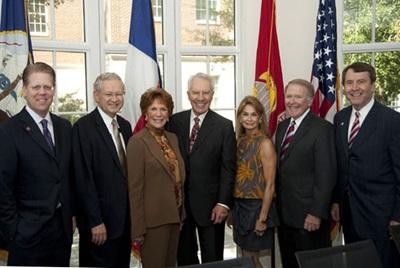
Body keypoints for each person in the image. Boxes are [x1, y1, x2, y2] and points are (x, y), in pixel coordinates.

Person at [0, 62, 74, 266]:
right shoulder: (8, 131)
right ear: (24, 90)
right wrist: (14, 231)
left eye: (47, 87)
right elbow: (3, 188)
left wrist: (72, 215)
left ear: (53, 90)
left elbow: (68, 176)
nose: (42, 92)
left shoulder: (64, 127)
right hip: (26, 236)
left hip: (62, 233)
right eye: (36, 87)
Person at [331, 62, 400, 268]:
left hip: (382, 218)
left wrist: (398, 216)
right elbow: (341, 166)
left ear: (372, 85)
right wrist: (336, 201)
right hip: (350, 215)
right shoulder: (340, 118)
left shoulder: (392, 121)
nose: (354, 88)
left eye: (361, 82)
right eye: (349, 83)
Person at [167, 72, 237, 265]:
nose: (200, 98)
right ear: (188, 94)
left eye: (205, 93)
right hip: (180, 208)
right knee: (185, 258)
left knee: (212, 259)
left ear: (212, 94)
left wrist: (223, 203)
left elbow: (228, 169)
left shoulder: (224, 126)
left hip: (212, 207)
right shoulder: (173, 122)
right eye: (195, 92)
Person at [275, 79, 336, 268]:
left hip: (309, 218)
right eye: (289, 96)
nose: (292, 101)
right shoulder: (283, 126)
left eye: (298, 97)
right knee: (289, 264)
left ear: (309, 101)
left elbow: (326, 174)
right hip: (285, 216)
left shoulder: (322, 129)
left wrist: (316, 213)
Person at [72, 73, 132, 267]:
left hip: (124, 224)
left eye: (118, 93)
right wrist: (94, 221)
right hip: (100, 226)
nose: (114, 99)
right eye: (108, 94)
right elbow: (83, 179)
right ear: (96, 96)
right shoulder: (83, 128)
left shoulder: (125, 126)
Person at [127, 88, 185, 268]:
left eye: (163, 109)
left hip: (175, 217)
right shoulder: (137, 142)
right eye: (153, 109)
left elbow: (177, 178)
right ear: (145, 113)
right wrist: (138, 229)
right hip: (152, 224)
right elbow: (135, 188)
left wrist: (181, 214)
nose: (158, 114)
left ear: (169, 114)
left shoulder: (172, 138)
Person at [230, 96, 277, 268]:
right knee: (245, 257)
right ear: (240, 117)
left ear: (260, 118)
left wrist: (262, 218)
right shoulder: (239, 141)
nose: (249, 119)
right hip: (240, 207)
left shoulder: (265, 143)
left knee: (251, 259)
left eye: (253, 115)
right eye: (245, 114)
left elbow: (270, 185)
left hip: (257, 207)